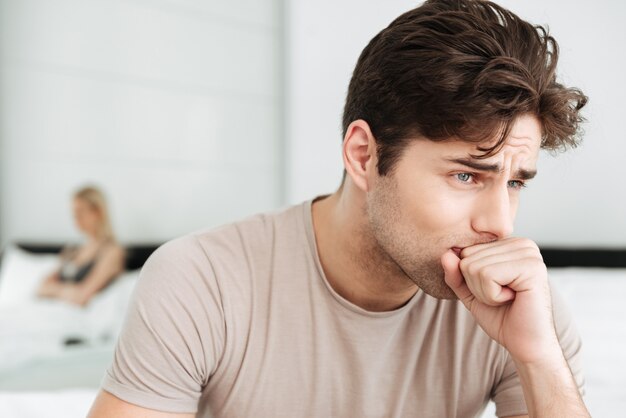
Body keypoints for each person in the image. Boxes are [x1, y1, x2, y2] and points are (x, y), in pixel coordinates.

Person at [88, 1, 590, 417]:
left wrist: (540, 360)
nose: (500, 223)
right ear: (364, 156)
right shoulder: (202, 281)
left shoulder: (526, 314)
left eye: (517, 183)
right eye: (465, 175)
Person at [37, 186, 125, 307]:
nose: (76, 219)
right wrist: (69, 291)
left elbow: (83, 296)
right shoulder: (72, 250)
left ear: (98, 212)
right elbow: (41, 288)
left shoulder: (112, 252)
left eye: (80, 212)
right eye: (74, 214)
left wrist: (56, 290)